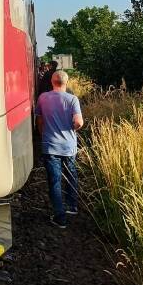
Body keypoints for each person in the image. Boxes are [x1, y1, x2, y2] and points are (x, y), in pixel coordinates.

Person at [35, 70, 84, 228]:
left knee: (54, 181)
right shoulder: (72, 99)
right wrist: (71, 129)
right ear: (66, 82)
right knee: (71, 175)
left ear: (52, 82)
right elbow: (79, 122)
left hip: (50, 146)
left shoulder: (43, 98)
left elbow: (39, 121)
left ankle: (60, 217)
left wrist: (44, 134)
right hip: (69, 146)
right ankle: (72, 206)